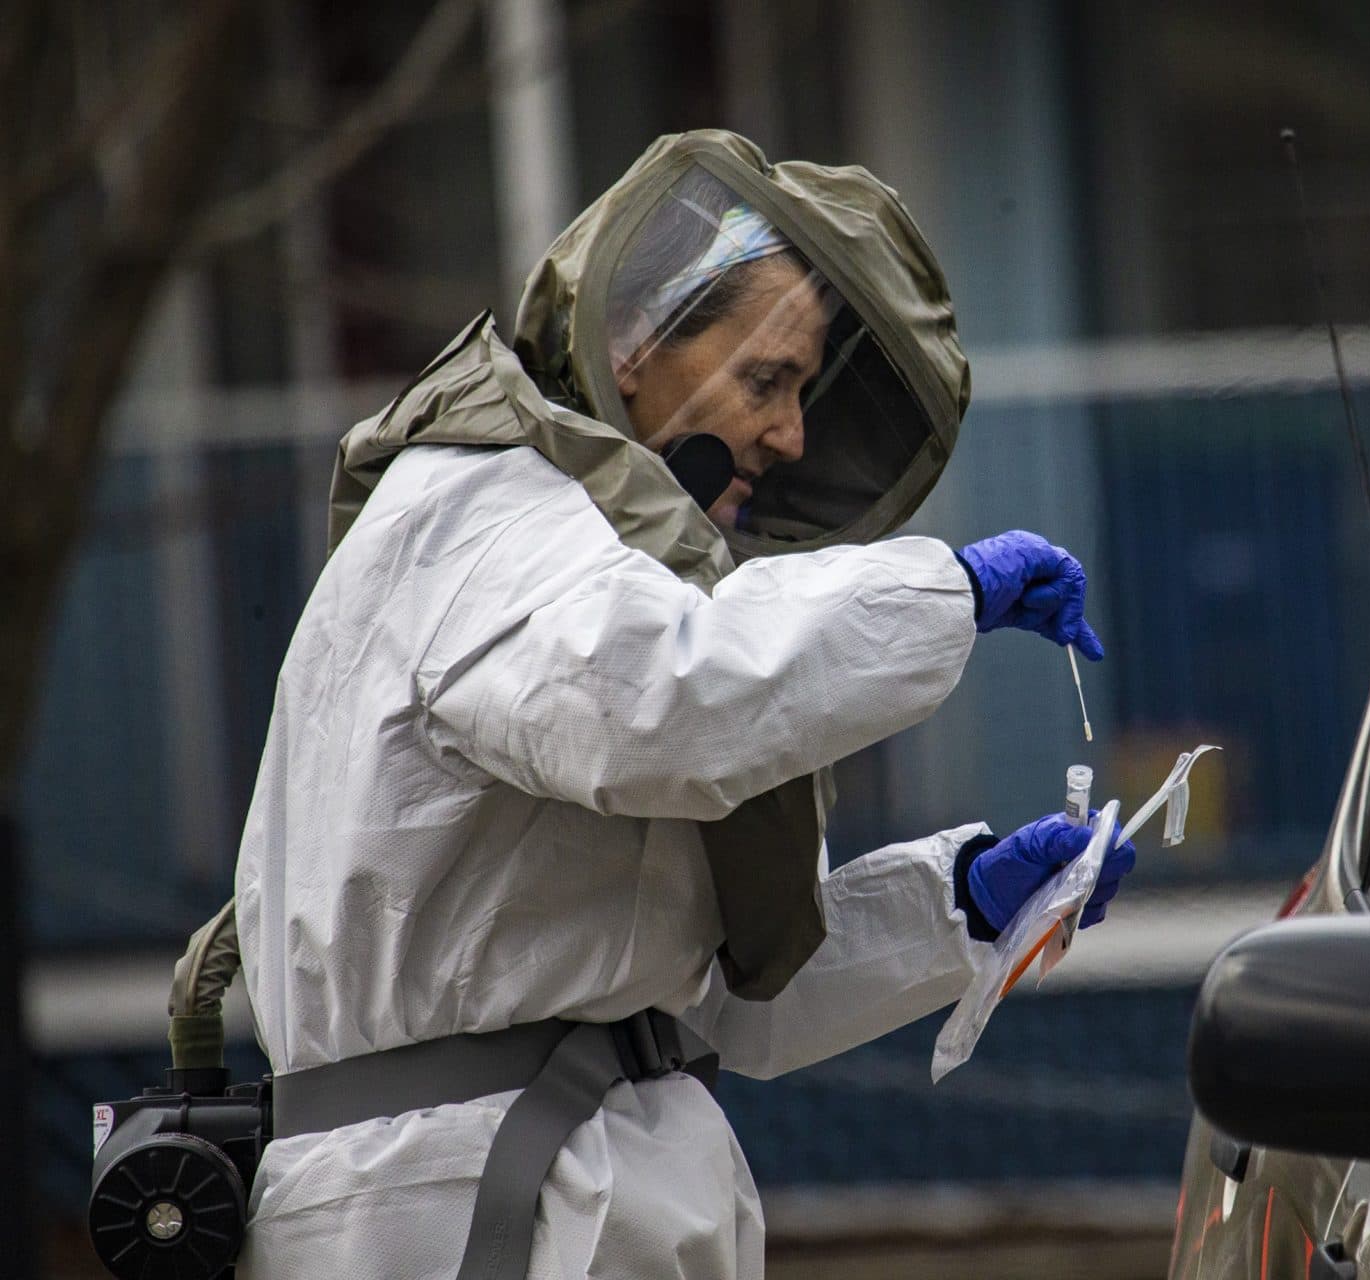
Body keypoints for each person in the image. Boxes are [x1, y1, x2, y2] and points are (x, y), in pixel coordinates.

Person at [233, 129, 1136, 1279]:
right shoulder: (482, 510)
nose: (793, 434)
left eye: (803, 391)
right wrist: (942, 589)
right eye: (766, 379)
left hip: (534, 1188)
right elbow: (663, 710)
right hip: (460, 1207)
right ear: (631, 340)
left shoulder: (589, 562)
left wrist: (957, 906)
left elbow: (706, 1007)